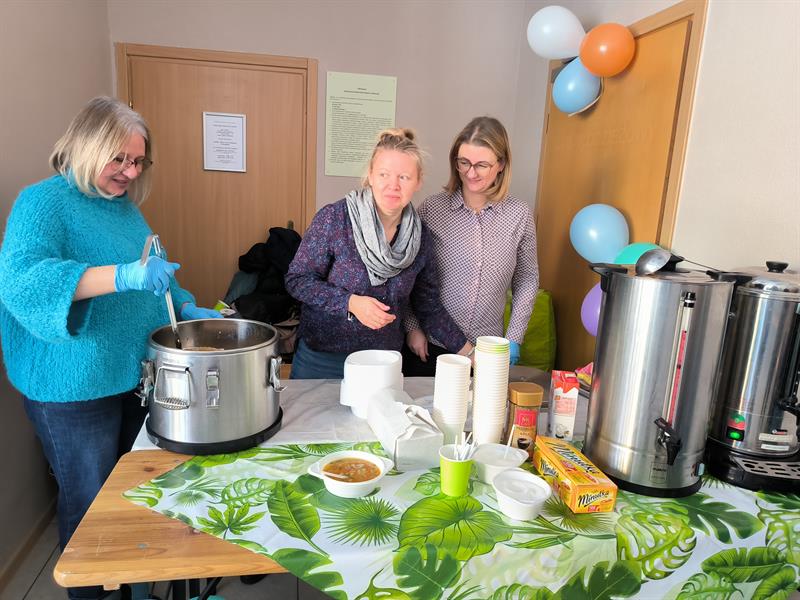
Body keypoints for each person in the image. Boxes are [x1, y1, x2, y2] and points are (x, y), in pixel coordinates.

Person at [0, 96, 221, 600]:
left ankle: (130, 589)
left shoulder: (123, 210)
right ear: (86, 145)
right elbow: (24, 283)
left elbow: (151, 272)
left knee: (128, 497)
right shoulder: (43, 203)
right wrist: (120, 276)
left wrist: (185, 305)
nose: (130, 171)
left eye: (138, 160)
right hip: (73, 389)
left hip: (129, 377)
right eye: (119, 158)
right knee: (89, 508)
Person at [285, 129, 472, 379]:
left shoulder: (420, 237)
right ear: (370, 176)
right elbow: (297, 280)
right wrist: (350, 303)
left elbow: (428, 306)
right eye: (384, 174)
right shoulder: (335, 219)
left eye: (404, 177)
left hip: (382, 363)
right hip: (323, 360)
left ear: (418, 181)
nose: (393, 185)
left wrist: (471, 353)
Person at [403, 116, 539, 376]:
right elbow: (408, 274)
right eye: (463, 162)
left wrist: (515, 336)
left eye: (482, 165)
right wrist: (412, 327)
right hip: (430, 347)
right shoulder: (432, 209)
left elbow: (527, 279)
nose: (470, 172)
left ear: (501, 164)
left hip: (487, 352)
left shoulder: (519, 215)